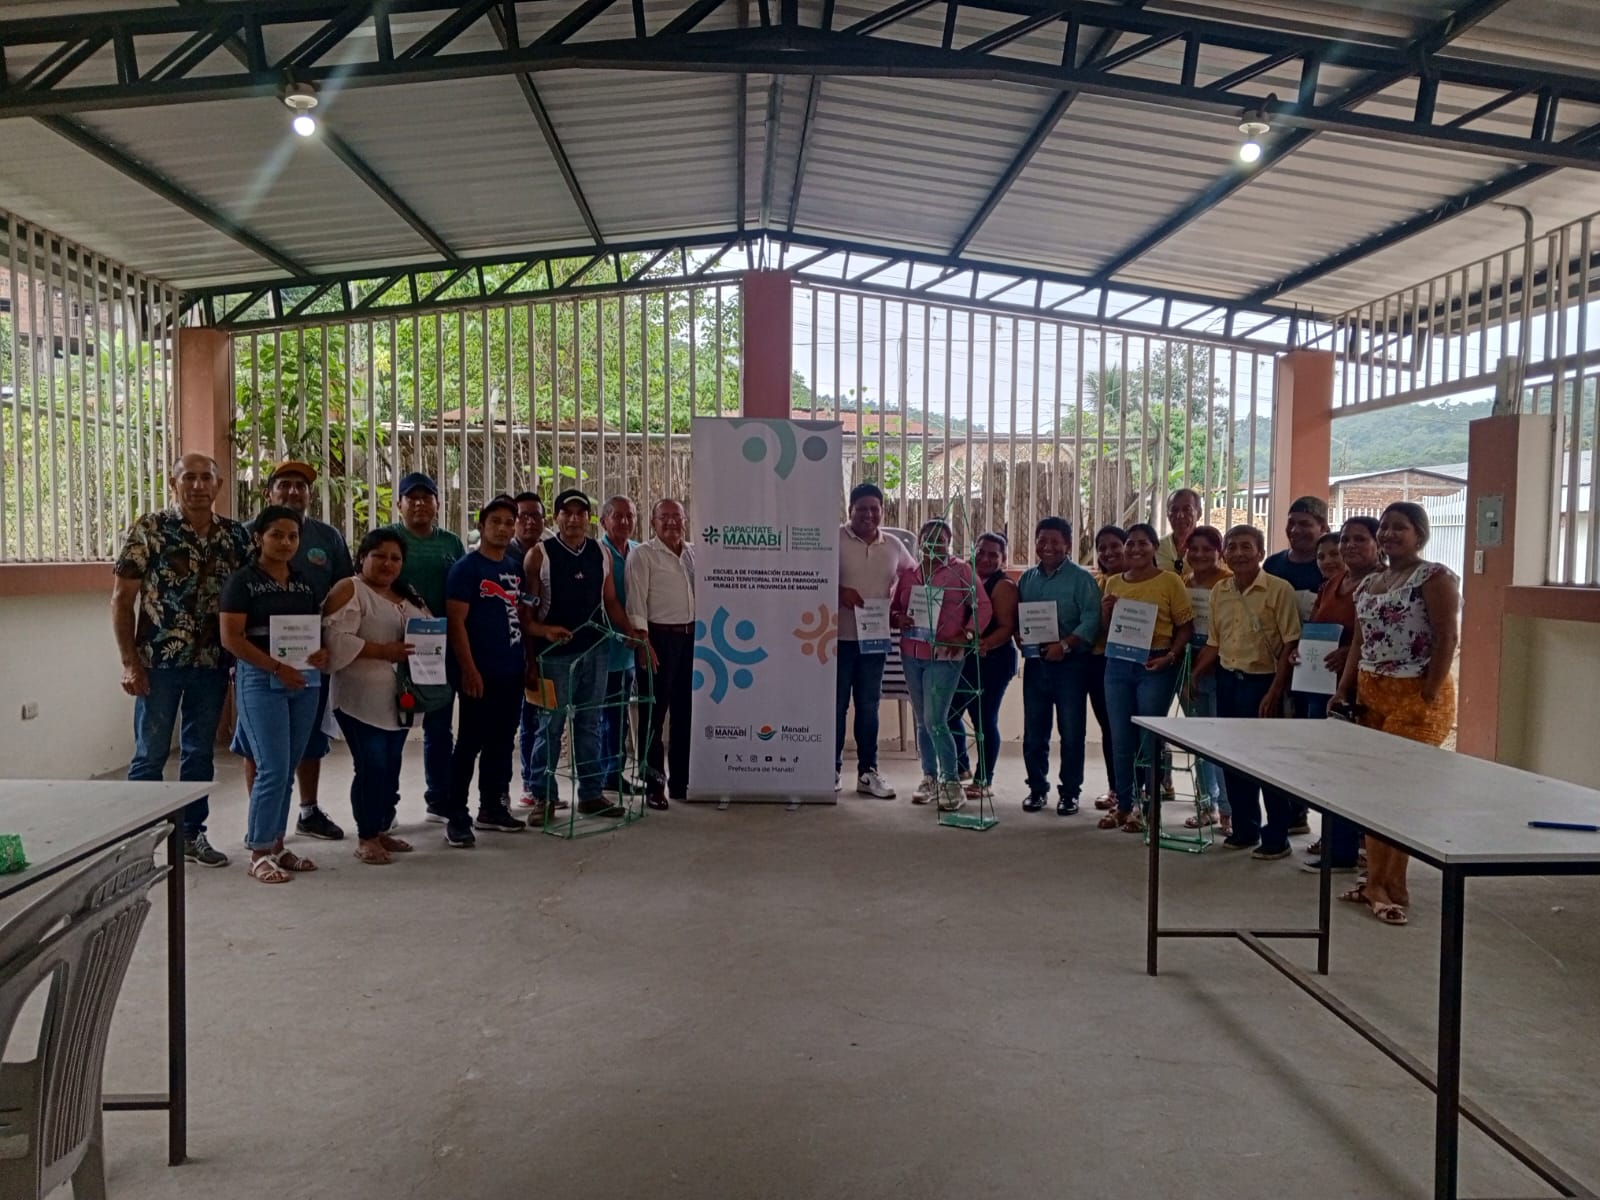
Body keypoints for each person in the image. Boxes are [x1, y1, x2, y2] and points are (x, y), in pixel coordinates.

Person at [112, 452, 251, 869]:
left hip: (212, 663)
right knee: (150, 755)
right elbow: (122, 599)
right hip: (157, 664)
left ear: (219, 484)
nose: (197, 485)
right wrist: (130, 662)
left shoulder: (235, 537)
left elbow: (248, 599)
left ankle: (192, 834)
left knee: (199, 754)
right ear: (173, 484)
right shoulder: (150, 529)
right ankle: (138, 847)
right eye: (188, 477)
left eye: (206, 477)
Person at [1334, 503, 1459, 926]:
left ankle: (1388, 885)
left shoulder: (1434, 577)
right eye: (1384, 527)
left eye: (1399, 528)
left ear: (1419, 534)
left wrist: (1429, 692)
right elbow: (1360, 641)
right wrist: (1344, 688)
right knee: (1374, 793)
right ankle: (1381, 882)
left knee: (1397, 794)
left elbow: (1447, 636)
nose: (1388, 534)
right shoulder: (1371, 583)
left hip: (1415, 694)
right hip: (1372, 693)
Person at [231, 460, 353, 843]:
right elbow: (231, 622)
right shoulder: (242, 540)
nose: (293, 491)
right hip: (258, 664)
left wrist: (325, 647)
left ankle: (305, 813)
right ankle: (263, 829)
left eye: (301, 485)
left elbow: (341, 592)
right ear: (268, 492)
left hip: (308, 661)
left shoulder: (326, 539)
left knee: (306, 741)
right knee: (263, 750)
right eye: (284, 484)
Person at [219, 505, 331, 883]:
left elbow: (313, 632)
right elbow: (231, 638)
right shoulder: (242, 582)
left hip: (303, 683)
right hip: (260, 681)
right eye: (276, 535)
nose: (285, 542)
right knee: (272, 767)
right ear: (259, 538)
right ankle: (259, 852)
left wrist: (320, 653)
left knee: (287, 768)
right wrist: (276, 667)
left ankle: (278, 845)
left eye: (292, 536)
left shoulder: (303, 583)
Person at [522, 489, 636, 820]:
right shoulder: (539, 555)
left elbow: (610, 601)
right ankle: (543, 798)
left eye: (580, 513)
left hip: (596, 652)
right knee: (550, 726)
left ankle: (591, 794)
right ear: (556, 517)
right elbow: (526, 614)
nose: (573, 519)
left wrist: (631, 632)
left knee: (590, 724)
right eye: (566, 512)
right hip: (554, 656)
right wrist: (542, 637)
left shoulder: (601, 553)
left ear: (589, 518)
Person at [1189, 525, 1300, 858]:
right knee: (1233, 759)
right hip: (1228, 682)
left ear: (1261, 553)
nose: (1238, 553)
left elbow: (1290, 642)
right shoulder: (1220, 591)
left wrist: (1275, 691)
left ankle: (1277, 837)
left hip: (1264, 683)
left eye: (1246, 547)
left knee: (1267, 762)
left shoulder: (1278, 589)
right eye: (1232, 547)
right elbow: (1214, 642)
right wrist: (1195, 675)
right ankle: (1244, 829)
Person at [322, 529, 431, 865]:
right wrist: (384, 651)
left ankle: (382, 827)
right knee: (371, 766)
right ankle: (367, 836)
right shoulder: (350, 589)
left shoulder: (408, 593)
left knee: (391, 766)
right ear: (362, 557)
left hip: (400, 699)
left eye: (395, 558)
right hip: (359, 699)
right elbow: (334, 640)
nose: (387, 563)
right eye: (379, 556)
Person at [440, 495, 530, 846]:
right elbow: (456, 623)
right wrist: (469, 669)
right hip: (480, 672)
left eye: (509, 523)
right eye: (496, 522)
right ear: (482, 524)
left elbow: (521, 617)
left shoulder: (514, 567)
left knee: (502, 742)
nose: (503, 529)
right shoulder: (466, 569)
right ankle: (456, 816)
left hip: (512, 671)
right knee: (469, 744)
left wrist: (527, 660)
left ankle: (492, 808)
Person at [1299, 515, 1383, 873]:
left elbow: (1376, 636)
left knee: (1358, 771)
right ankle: (1339, 844)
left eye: (1359, 539)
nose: (1349, 546)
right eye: (1345, 539)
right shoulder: (1333, 583)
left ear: (1378, 543)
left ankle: (1363, 848)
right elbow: (1318, 628)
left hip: (1364, 690)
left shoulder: (1382, 583)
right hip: (1321, 685)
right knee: (1329, 769)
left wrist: (1349, 651)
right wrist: (1302, 652)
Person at [1098, 523, 1194, 834]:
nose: (1135, 549)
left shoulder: (1170, 581)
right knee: (1120, 738)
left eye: (1143, 543)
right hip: (1118, 665)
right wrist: (1107, 612)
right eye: (1130, 543)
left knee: (1148, 740)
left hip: (1156, 664)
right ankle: (1125, 805)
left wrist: (1171, 656)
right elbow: (1109, 630)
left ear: (1155, 547)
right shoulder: (1113, 582)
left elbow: (1185, 627)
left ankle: (1151, 809)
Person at [891, 519, 991, 811]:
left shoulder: (962, 571)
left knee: (936, 720)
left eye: (941, 539)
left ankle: (951, 781)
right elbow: (895, 609)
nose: (934, 544)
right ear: (920, 541)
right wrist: (898, 619)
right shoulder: (909, 574)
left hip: (946, 656)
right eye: (929, 538)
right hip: (912, 653)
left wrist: (967, 635)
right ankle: (930, 778)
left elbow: (983, 607)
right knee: (922, 720)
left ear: (949, 543)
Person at [387, 472, 465, 821]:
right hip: (395, 646)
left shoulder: (451, 544)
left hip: (440, 648)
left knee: (439, 726)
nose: (419, 503)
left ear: (437, 503)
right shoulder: (389, 540)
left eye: (426, 497)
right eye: (411, 497)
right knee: (392, 728)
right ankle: (384, 805)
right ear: (399, 504)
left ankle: (439, 798)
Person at [1016, 516, 1101, 815]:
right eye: (1042, 541)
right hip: (1036, 665)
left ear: (1068, 545)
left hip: (1071, 666)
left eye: (1055, 541)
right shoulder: (1028, 579)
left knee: (1072, 733)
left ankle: (1070, 793)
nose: (1047, 547)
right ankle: (1037, 789)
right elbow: (1019, 616)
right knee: (1034, 733)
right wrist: (1019, 637)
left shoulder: (1082, 579)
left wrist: (1064, 645)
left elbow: (1092, 619)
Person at [835, 481, 915, 798]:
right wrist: (838, 592)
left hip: (874, 641)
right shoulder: (833, 539)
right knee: (836, 707)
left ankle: (868, 773)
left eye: (874, 509)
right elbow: (812, 577)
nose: (868, 515)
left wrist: (898, 610)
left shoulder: (893, 545)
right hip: (835, 639)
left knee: (869, 707)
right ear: (850, 510)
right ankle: (830, 770)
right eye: (862, 509)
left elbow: (913, 578)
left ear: (882, 511)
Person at [625, 498, 697, 811]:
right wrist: (643, 643)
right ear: (653, 522)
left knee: (685, 712)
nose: (671, 522)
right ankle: (654, 784)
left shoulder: (694, 553)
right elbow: (635, 602)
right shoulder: (643, 555)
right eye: (664, 517)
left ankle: (681, 781)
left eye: (677, 517)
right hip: (657, 640)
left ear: (685, 521)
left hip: (692, 640)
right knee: (654, 715)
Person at [1265, 494, 1329, 836]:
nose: (1296, 530)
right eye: (1291, 523)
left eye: (1305, 524)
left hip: (1322, 668)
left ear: (1322, 527)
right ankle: (1293, 812)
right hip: (1280, 663)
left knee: (1315, 744)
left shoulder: (1329, 565)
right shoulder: (1274, 564)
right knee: (1283, 741)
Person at [948, 532, 1018, 801]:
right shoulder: (963, 577)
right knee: (948, 713)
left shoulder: (1003, 586)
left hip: (994, 660)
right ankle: (962, 766)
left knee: (984, 720)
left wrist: (985, 643)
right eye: (981, 552)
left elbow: (1006, 627)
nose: (986, 558)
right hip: (966, 659)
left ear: (1003, 559)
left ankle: (984, 779)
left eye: (993, 554)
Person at [1180, 525, 1231, 835]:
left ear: (1218, 552)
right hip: (1188, 666)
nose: (1199, 555)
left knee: (1220, 742)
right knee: (1198, 740)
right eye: (1193, 549)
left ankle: (1228, 811)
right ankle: (1205, 805)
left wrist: (1202, 667)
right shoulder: (1183, 582)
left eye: (1207, 549)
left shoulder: (1228, 582)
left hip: (1219, 666)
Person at [597, 496, 642, 796]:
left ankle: (616, 771)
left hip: (633, 649)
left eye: (630, 516)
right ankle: (607, 774)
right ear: (604, 521)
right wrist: (625, 630)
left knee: (622, 714)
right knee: (609, 716)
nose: (624, 521)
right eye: (617, 516)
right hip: (607, 648)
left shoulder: (639, 551)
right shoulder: (597, 553)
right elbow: (606, 601)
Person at [1087, 525, 1126, 812]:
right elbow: (1091, 627)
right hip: (1100, 660)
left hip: (1139, 662)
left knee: (1142, 730)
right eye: (1102, 548)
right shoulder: (1095, 584)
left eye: (1115, 545)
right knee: (1110, 729)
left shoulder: (1149, 581)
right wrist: (1103, 614)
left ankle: (1150, 788)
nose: (1108, 552)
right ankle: (1117, 789)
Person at [1156, 488, 1202, 573]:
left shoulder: (1209, 549)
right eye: (1174, 510)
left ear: (1199, 513)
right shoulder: (1157, 547)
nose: (1180, 515)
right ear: (1167, 514)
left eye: (1187, 509)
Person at [509, 492, 546, 561]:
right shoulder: (502, 553)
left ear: (544, 521)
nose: (531, 521)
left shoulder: (551, 553)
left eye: (536, 516)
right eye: (524, 516)